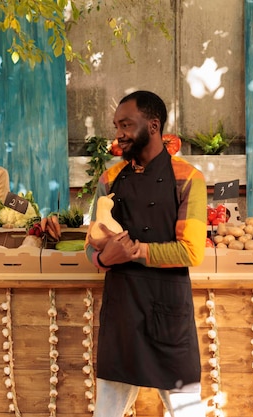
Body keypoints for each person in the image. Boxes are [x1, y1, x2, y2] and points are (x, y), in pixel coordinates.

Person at [85, 91, 208, 417]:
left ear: (153, 125)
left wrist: (134, 250)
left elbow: (191, 251)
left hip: (168, 314)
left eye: (126, 124)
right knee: (106, 412)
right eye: (116, 125)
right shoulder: (109, 179)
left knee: (186, 411)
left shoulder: (189, 179)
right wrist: (102, 259)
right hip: (122, 313)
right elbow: (90, 243)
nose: (119, 133)